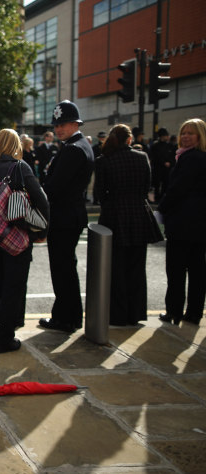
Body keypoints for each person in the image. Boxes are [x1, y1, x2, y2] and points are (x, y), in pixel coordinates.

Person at [0, 129, 49, 352]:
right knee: (13, 287)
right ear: (16, 145)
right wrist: (40, 232)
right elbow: (42, 201)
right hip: (18, 237)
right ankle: (4, 338)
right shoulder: (20, 167)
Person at [94, 124, 163, 326]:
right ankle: (136, 313)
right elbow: (146, 187)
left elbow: (99, 194)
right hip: (138, 214)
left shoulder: (104, 160)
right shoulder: (142, 158)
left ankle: (118, 314)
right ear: (130, 140)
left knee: (115, 268)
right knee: (136, 267)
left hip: (114, 216)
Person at [39, 101, 94, 334]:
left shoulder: (73, 148)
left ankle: (65, 318)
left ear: (75, 124)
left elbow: (55, 186)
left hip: (64, 216)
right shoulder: (78, 144)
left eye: (63, 124)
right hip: (69, 215)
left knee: (62, 270)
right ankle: (67, 316)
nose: (58, 129)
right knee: (66, 268)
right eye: (56, 125)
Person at [158, 118, 206, 326]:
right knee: (197, 270)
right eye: (183, 132)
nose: (185, 136)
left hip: (183, 222)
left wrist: (162, 209)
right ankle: (194, 312)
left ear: (200, 136)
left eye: (191, 133)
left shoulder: (190, 159)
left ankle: (174, 311)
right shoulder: (200, 157)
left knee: (176, 269)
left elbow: (177, 189)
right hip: (199, 223)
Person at [149, 128, 176, 202]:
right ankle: (158, 197)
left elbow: (173, 156)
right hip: (158, 168)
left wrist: (170, 162)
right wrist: (164, 162)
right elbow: (155, 156)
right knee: (157, 184)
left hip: (166, 168)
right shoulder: (156, 146)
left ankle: (161, 198)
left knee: (166, 183)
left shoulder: (170, 146)